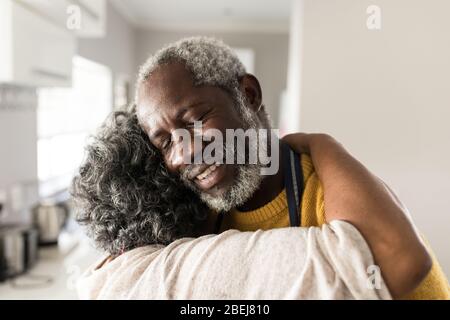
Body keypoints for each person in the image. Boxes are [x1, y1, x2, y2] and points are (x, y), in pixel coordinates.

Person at [132, 36, 449, 299]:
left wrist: (323, 143)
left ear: (249, 95)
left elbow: (399, 265)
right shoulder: (200, 220)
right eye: (165, 143)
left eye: (197, 120)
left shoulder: (335, 196)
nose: (184, 154)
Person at [74, 109, 426, 299]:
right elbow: (392, 259)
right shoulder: (190, 269)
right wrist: (323, 143)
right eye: (168, 145)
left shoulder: (101, 279)